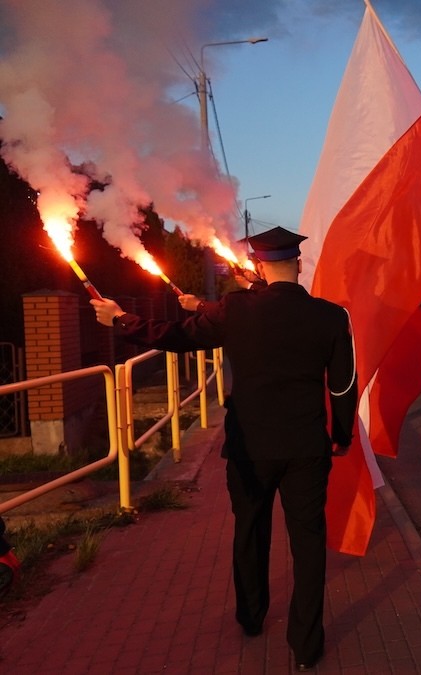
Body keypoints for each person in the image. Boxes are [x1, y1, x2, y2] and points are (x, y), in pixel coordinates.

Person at [90, 227, 356, 671]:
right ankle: (307, 646)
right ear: (300, 264)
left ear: (258, 266)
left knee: (250, 531)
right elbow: (344, 385)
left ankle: (252, 618)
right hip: (307, 447)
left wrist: (120, 319)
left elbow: (173, 335)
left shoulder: (235, 309)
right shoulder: (331, 316)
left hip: (249, 447)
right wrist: (341, 435)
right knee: (308, 543)